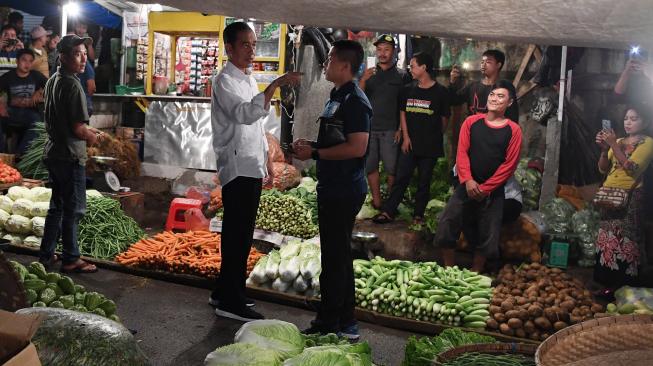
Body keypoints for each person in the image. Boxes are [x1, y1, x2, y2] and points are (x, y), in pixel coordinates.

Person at [209, 21, 301, 322]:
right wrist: (275, 85)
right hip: (236, 166)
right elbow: (243, 114)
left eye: (253, 44)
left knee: (242, 233)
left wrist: (266, 164)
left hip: (251, 164)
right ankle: (229, 301)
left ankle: (225, 291)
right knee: (236, 234)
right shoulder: (223, 81)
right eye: (245, 44)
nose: (251, 50)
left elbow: (257, 129)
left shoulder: (247, 79)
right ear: (230, 48)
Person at [293, 40, 372, 339]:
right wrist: (312, 147)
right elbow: (335, 140)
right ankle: (344, 321)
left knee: (335, 258)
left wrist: (314, 154)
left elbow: (357, 147)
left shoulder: (356, 101)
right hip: (333, 186)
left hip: (344, 188)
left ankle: (330, 323)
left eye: (329, 59)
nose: (325, 63)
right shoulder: (336, 95)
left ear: (344, 65)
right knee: (337, 256)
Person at [434, 80, 522, 273]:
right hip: (466, 185)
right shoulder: (471, 122)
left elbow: (509, 165)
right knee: (447, 223)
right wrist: (468, 180)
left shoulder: (514, 130)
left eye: (500, 96)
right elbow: (462, 153)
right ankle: (449, 269)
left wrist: (486, 188)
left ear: (509, 103)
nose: (494, 99)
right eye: (492, 94)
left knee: (488, 233)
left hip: (493, 191)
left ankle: (476, 272)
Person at [39, 34, 104, 273]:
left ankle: (46, 254)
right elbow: (77, 129)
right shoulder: (73, 85)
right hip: (69, 155)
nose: (83, 58)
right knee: (73, 209)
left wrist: (88, 129)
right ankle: (71, 258)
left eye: (85, 54)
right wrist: (93, 137)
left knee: (56, 205)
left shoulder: (54, 80)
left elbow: (64, 120)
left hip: (53, 152)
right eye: (77, 54)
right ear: (63, 57)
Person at [373, 52, 449, 224]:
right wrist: (405, 137)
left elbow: (444, 118)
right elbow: (403, 113)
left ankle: (418, 215)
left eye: (413, 66)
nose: (410, 69)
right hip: (409, 143)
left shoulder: (441, 92)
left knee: (424, 182)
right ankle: (388, 212)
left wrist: (435, 136)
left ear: (424, 68)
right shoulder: (407, 89)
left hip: (430, 145)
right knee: (401, 178)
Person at [594, 105, 653, 296]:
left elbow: (632, 167)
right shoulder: (618, 140)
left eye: (634, 118)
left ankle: (626, 286)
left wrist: (612, 145)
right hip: (609, 194)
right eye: (627, 118)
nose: (628, 122)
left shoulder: (647, 142)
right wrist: (604, 149)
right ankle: (607, 284)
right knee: (607, 239)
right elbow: (603, 169)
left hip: (631, 196)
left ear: (645, 122)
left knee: (626, 238)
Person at [358, 34, 409, 209]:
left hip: (390, 129)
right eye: (379, 49)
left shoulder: (402, 76)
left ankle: (390, 201)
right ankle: (378, 201)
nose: (382, 53)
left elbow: (404, 106)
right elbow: (359, 97)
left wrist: (400, 129)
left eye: (386, 49)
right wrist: (363, 79)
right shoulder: (369, 73)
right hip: (370, 129)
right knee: (371, 166)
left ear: (394, 51)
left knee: (391, 168)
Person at [448, 50, 519, 159]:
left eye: (488, 62)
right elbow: (454, 100)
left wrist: (508, 139)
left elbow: (513, 114)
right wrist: (452, 82)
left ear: (498, 65)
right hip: (473, 137)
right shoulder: (473, 86)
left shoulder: (505, 87)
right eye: (482, 62)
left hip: (495, 139)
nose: (483, 64)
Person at [0, 48, 47, 154]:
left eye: (30, 61)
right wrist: (1, 104)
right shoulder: (8, 77)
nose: (27, 64)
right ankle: (1, 155)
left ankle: (20, 155)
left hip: (30, 113)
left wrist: (40, 91)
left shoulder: (36, 75)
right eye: (24, 60)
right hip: (11, 112)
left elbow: (51, 86)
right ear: (17, 61)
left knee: (39, 124)